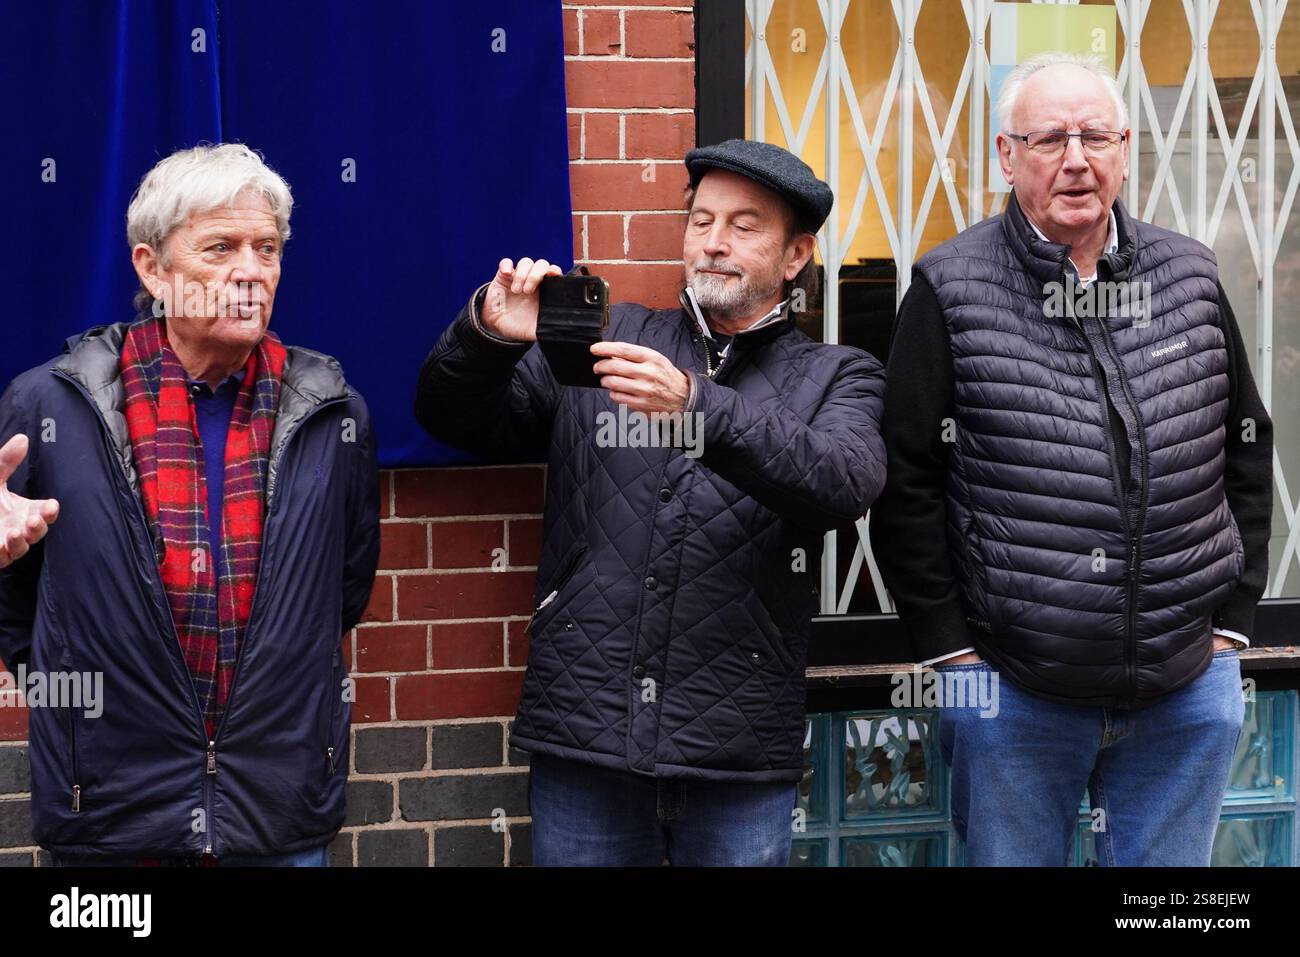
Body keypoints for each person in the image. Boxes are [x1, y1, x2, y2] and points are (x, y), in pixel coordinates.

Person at [415, 139, 886, 866]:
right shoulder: (611, 338)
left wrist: (696, 406)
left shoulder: (838, 374)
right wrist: (486, 337)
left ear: (796, 256)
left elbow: (842, 483)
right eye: (700, 221)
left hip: (737, 750)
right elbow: (455, 419)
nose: (714, 243)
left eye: (743, 224)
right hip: (586, 735)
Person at [869, 52, 1273, 866]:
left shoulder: (1189, 273)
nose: (1076, 159)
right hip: (1014, 692)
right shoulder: (950, 288)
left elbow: (1246, 440)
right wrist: (952, 653)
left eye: (1095, 136)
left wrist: (1233, 621)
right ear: (1006, 156)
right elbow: (905, 478)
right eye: (1049, 138)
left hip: (1186, 683)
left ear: (1126, 149)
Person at [0, 143, 380, 865]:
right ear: (152, 268)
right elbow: (18, 610)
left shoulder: (334, 413)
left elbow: (340, 594)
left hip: (276, 813)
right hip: (110, 817)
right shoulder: (48, 403)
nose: (250, 269)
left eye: (266, 248)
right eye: (220, 247)